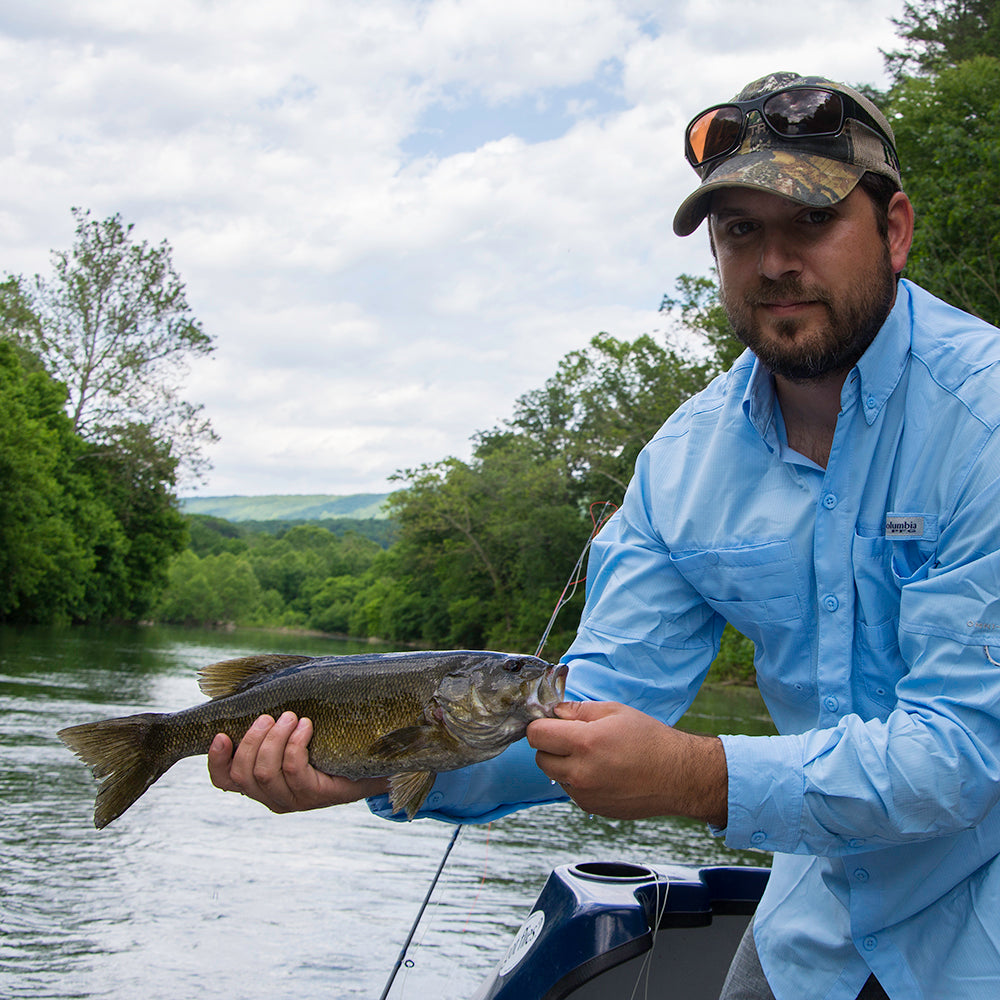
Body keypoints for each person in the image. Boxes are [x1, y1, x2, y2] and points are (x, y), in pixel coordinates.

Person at [208, 72, 1000, 999]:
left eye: (812, 222)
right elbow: (589, 701)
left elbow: (964, 754)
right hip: (815, 931)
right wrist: (374, 764)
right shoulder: (683, 466)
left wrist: (701, 776)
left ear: (894, 230)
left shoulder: (983, 424)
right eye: (742, 231)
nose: (776, 262)